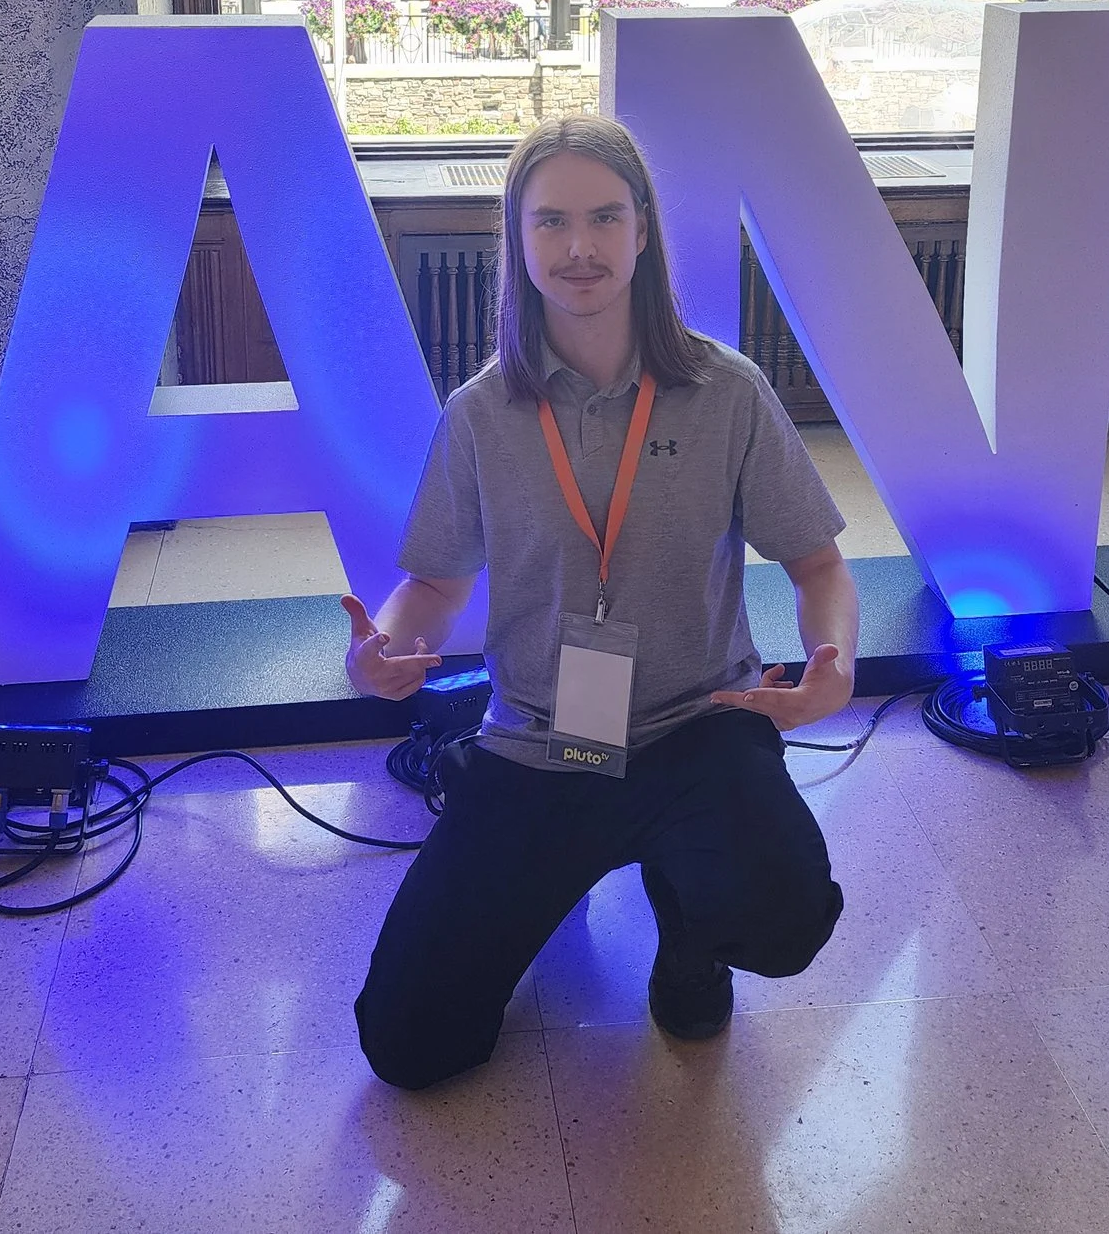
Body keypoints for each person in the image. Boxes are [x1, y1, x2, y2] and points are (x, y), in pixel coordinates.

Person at [349, 114, 859, 1090]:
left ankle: (689, 936)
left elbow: (819, 566)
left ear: (642, 229)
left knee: (788, 917)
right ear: (518, 238)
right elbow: (433, 587)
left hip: (699, 724)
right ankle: (540, 856)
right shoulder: (480, 413)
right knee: (407, 1044)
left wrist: (832, 663)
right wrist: (381, 653)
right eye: (550, 222)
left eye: (602, 218)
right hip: (544, 738)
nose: (578, 248)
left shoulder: (726, 393)